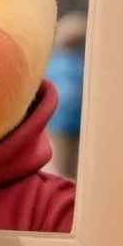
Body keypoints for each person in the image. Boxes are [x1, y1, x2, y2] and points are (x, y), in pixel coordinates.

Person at [44, 12, 87, 180]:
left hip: (75, 123)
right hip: (58, 123)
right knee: (58, 168)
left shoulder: (79, 62)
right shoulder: (55, 62)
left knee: (72, 169)